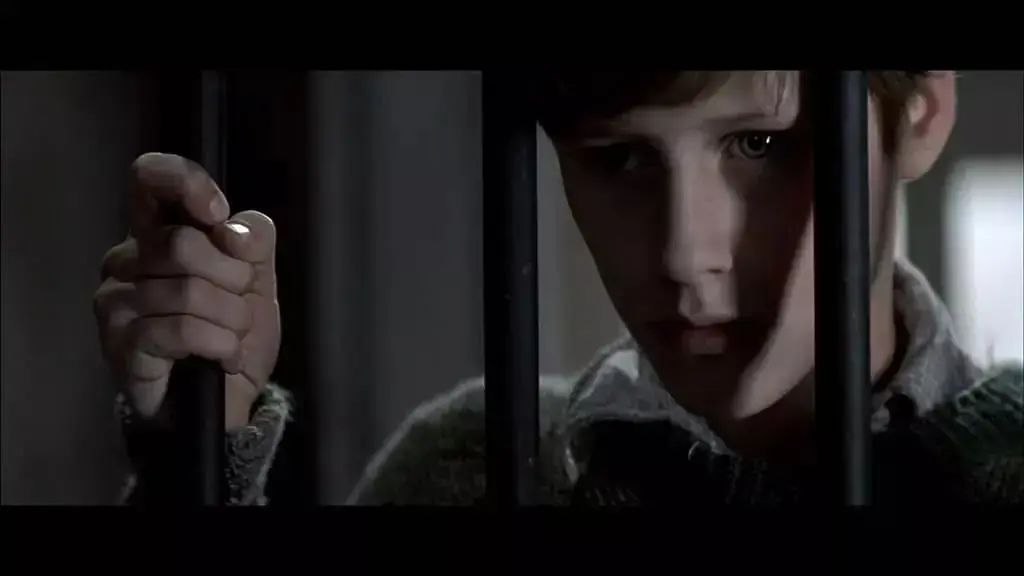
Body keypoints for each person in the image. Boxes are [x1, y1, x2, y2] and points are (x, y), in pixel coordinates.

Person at [94, 71, 1022, 506]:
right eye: (619, 159)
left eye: (760, 145)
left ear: (920, 111)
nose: (684, 253)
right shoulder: (472, 469)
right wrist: (198, 458)